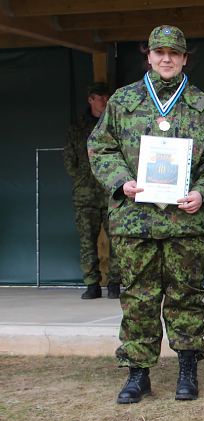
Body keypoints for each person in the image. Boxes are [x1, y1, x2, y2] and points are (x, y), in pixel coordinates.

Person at [88, 25, 204, 404]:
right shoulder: (123, 100)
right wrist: (122, 182)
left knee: (187, 298)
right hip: (136, 221)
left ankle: (187, 372)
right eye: (159, 53)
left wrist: (203, 192)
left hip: (186, 223)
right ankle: (138, 374)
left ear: (184, 59)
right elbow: (100, 148)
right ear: (148, 56)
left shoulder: (202, 105)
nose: (166, 59)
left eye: (174, 53)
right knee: (138, 298)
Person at [63, 82, 121, 300]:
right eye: (100, 97)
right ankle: (92, 284)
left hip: (111, 192)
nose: (104, 101)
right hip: (85, 193)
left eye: (107, 97)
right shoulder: (77, 127)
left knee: (117, 239)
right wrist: (80, 177)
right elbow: (69, 158)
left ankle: (115, 283)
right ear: (90, 99)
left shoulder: (114, 124)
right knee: (87, 240)